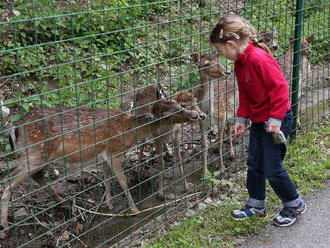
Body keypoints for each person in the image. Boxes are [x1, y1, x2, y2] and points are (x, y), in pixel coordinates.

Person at [209, 15, 305, 227]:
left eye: (220, 51)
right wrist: (242, 117)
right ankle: (256, 204)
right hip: (260, 122)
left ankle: (294, 205)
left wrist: (275, 118)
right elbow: (245, 92)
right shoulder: (240, 64)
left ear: (231, 44)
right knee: (254, 163)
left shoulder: (258, 58)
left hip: (275, 121)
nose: (221, 55)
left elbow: (281, 89)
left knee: (272, 167)